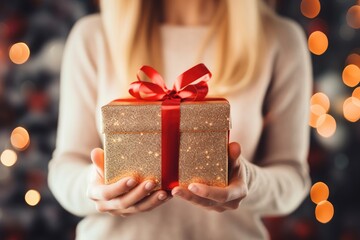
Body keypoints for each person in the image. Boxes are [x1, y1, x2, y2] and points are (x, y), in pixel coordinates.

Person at [48, 0, 312, 239]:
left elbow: (292, 178)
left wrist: (249, 183)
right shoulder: (93, 36)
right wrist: (93, 187)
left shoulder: (279, 38)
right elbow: (65, 168)